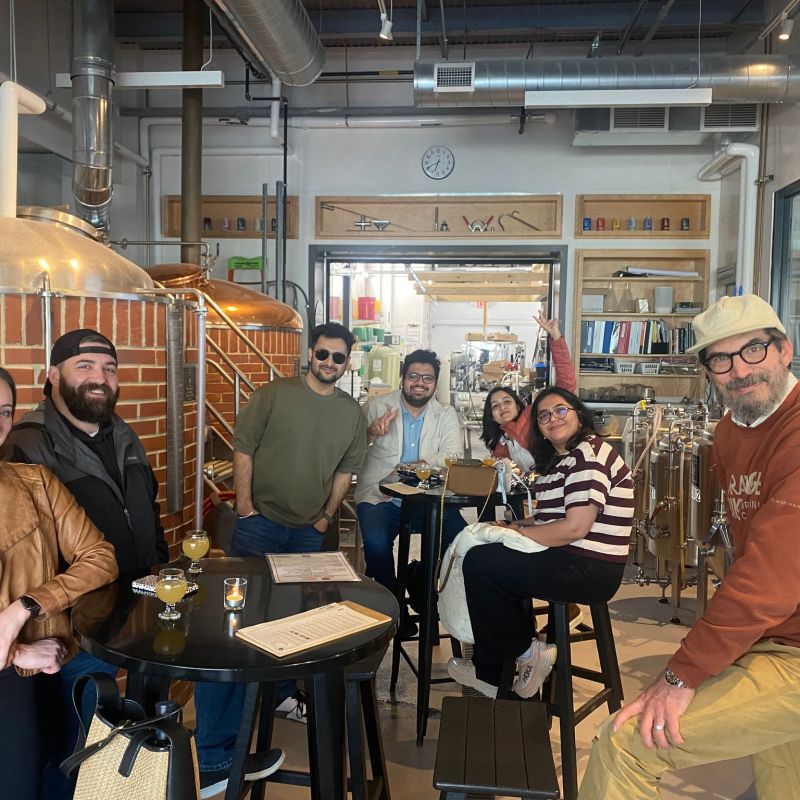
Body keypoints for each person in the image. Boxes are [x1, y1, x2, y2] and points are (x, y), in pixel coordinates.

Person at [578, 294, 800, 800]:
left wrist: (681, 676)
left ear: (784, 350)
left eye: (753, 351)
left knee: (629, 744)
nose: (739, 370)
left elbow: (769, 578)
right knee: (784, 776)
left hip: (790, 646)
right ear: (707, 370)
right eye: (720, 359)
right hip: (777, 636)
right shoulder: (729, 431)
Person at [193, 321, 367, 798]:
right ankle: (216, 756)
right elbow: (243, 448)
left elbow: (347, 470)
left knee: (296, 618)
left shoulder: (350, 413)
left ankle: (282, 694)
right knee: (237, 623)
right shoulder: (274, 394)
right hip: (260, 522)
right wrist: (245, 506)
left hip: (308, 533)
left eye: (339, 357)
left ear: (348, 362)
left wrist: (325, 518)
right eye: (323, 354)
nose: (330, 363)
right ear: (309, 354)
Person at [7, 328, 172, 800]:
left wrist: (157, 561)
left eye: (109, 368)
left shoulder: (122, 432)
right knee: (65, 751)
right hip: (69, 631)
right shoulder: (28, 446)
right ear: (52, 376)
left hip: (134, 614)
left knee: (116, 740)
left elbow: (149, 508)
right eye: (85, 366)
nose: (99, 378)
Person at [448, 386, 633, 699]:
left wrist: (515, 535)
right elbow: (550, 517)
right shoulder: (557, 461)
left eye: (561, 410)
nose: (553, 419)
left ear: (578, 414)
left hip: (591, 568)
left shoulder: (588, 454)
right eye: (544, 416)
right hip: (570, 557)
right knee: (489, 555)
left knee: (482, 564)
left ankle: (515, 658)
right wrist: (515, 525)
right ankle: (505, 663)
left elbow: (574, 527)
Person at [0, 366, 118, 799]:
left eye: (5, 411)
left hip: (45, 678)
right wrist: (20, 651)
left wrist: (27, 607)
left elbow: (100, 556)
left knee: (55, 775)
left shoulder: (35, 484)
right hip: (17, 681)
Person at [355, 349, 466, 633]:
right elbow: (351, 454)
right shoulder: (375, 406)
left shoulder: (445, 414)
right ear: (403, 378)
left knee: (459, 539)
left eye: (427, 378)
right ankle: (396, 606)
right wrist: (370, 433)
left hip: (428, 500)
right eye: (414, 376)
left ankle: (427, 593)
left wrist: (421, 465)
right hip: (381, 498)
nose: (420, 382)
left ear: (434, 382)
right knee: (377, 545)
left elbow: (453, 454)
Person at [481, 312, 576, 472]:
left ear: (518, 406)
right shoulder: (502, 443)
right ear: (492, 416)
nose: (502, 407)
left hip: (561, 482)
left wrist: (555, 337)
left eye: (507, 401)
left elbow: (567, 386)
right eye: (495, 406)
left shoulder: (533, 416)